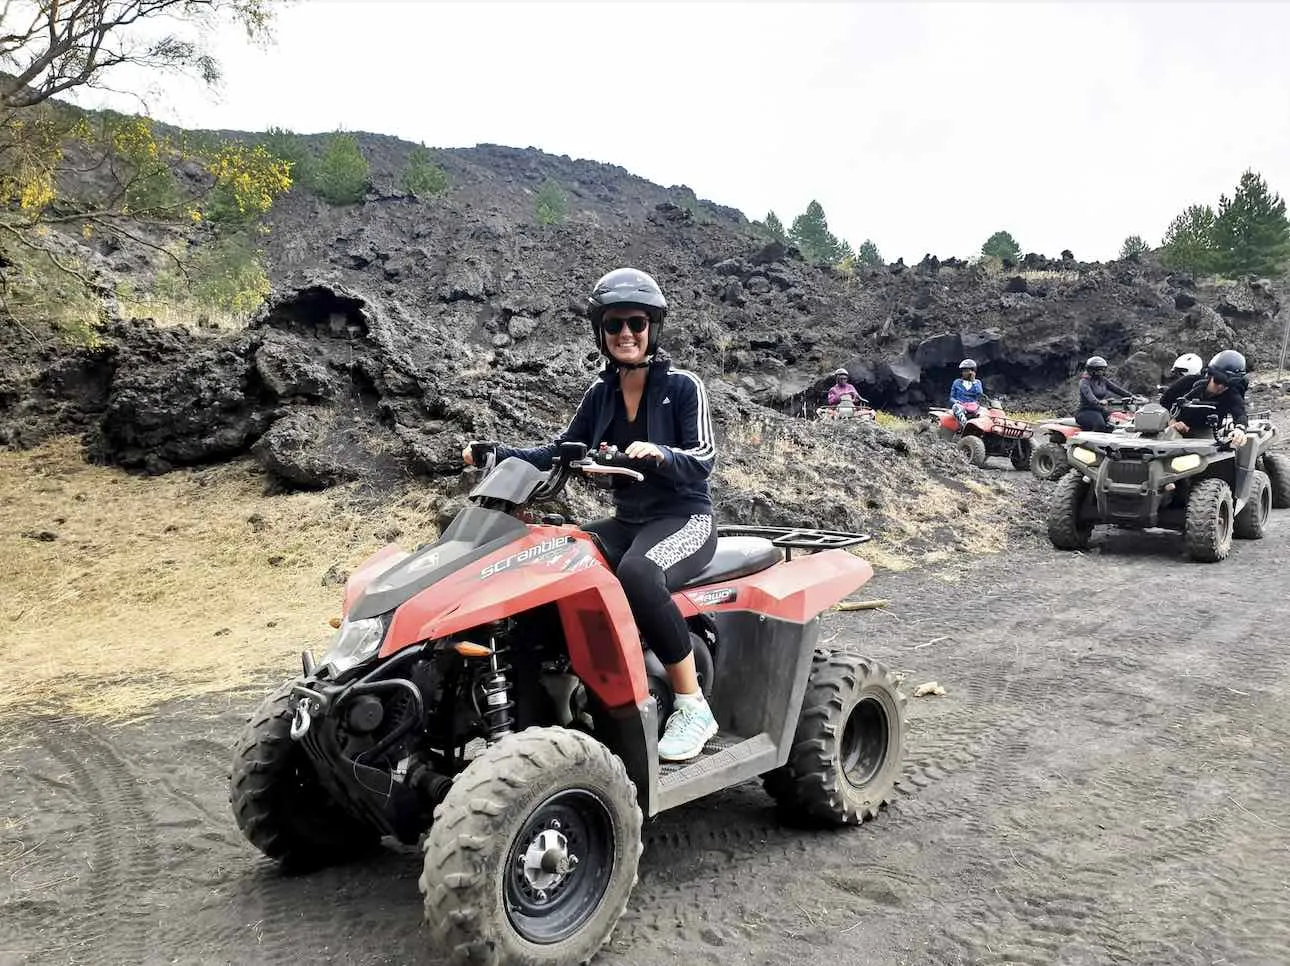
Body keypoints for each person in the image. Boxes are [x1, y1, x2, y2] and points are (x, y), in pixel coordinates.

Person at [461, 268, 719, 762]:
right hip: (627, 522)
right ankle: (536, 714)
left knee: (639, 574)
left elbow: (703, 456)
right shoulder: (599, 395)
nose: (626, 333)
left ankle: (692, 705)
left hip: (684, 519)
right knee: (545, 564)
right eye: (614, 323)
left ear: (653, 328)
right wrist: (494, 453)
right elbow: (560, 450)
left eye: (637, 323)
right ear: (600, 331)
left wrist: (660, 453)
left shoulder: (684, 387)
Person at [1159, 349, 1248, 447]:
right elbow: (1164, 402)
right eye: (1218, 380)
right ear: (1210, 375)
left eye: (1228, 384)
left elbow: (1240, 413)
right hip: (1175, 429)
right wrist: (1172, 421)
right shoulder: (1188, 383)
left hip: (1206, 434)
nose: (1221, 387)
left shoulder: (1230, 394)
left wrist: (1240, 429)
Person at [1075, 356, 1134, 431]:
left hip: (1100, 410)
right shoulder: (1084, 382)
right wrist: (1099, 402)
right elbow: (1090, 397)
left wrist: (1132, 396)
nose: (1102, 372)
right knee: (1100, 424)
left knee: (1117, 423)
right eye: (1099, 370)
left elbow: (1117, 389)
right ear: (1092, 370)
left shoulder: (1103, 380)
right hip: (1085, 411)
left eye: (1103, 369)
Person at [948, 359, 985, 428]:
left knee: (985, 413)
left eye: (967, 371)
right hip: (961, 406)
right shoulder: (957, 382)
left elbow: (980, 394)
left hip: (974, 406)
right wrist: (956, 401)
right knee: (955, 407)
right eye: (963, 371)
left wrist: (973, 381)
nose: (964, 373)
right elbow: (951, 397)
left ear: (972, 371)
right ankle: (965, 425)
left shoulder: (977, 382)